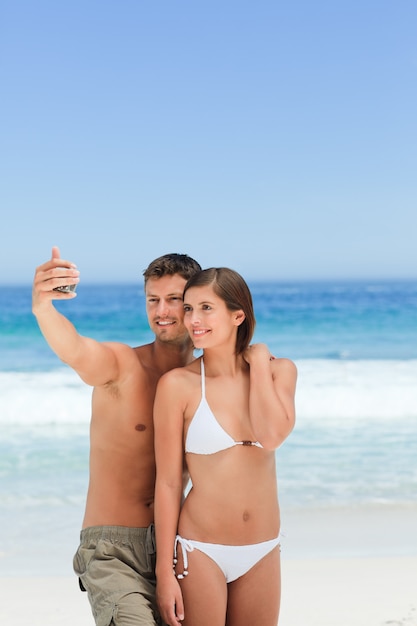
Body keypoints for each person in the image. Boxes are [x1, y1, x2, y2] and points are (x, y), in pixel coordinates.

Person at [32, 246, 201, 626]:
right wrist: (44, 309)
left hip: (180, 547)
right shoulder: (123, 365)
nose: (161, 312)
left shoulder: (207, 383)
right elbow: (75, 350)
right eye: (152, 300)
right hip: (113, 550)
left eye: (174, 300)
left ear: (196, 304)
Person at [153, 267, 297, 626]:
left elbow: (272, 436)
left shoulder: (281, 372)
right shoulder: (177, 386)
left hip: (263, 549)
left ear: (237, 315)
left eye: (206, 308)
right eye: (188, 309)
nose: (193, 320)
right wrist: (164, 572)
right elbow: (169, 483)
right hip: (199, 550)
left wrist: (259, 363)